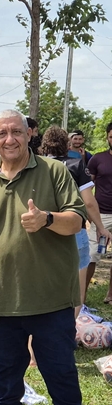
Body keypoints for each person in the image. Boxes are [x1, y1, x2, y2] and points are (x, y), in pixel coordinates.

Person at [0, 109, 107, 405]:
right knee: (6, 368)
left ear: (29, 134)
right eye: (2, 134)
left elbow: (76, 220)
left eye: (16, 131)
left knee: (59, 367)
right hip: (2, 294)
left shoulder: (54, 171)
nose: (9, 139)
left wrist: (46, 219)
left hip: (50, 294)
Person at [38, 126, 112, 307]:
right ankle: (71, 326)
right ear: (67, 144)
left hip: (43, 230)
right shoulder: (75, 165)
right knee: (76, 295)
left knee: (44, 284)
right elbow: (88, 202)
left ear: (44, 145)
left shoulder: (37, 165)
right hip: (72, 229)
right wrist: (101, 227)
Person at [87, 123, 112, 300]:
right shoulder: (97, 159)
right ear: (107, 137)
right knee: (91, 256)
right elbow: (88, 187)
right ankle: (81, 295)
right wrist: (90, 214)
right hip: (102, 214)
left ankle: (110, 295)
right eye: (111, 136)